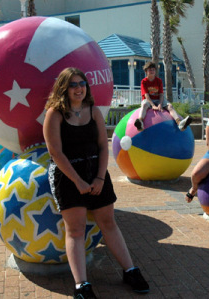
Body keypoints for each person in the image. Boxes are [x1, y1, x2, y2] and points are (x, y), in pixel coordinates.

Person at [43, 67, 149, 299]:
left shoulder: (94, 111)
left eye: (82, 83)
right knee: (76, 229)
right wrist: (79, 182)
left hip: (96, 172)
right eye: (73, 84)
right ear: (63, 87)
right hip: (68, 175)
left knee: (108, 222)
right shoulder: (55, 113)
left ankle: (130, 271)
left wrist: (100, 177)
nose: (79, 88)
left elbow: (103, 146)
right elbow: (56, 153)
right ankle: (82, 285)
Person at [134, 62, 192, 131]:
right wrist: (153, 105)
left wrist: (160, 104)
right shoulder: (144, 81)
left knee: (170, 106)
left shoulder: (159, 81)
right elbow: (146, 95)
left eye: (153, 70)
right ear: (146, 72)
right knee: (144, 106)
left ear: (155, 71)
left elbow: (161, 94)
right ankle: (140, 122)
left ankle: (179, 123)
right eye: (150, 70)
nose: (152, 71)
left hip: (158, 99)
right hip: (149, 100)